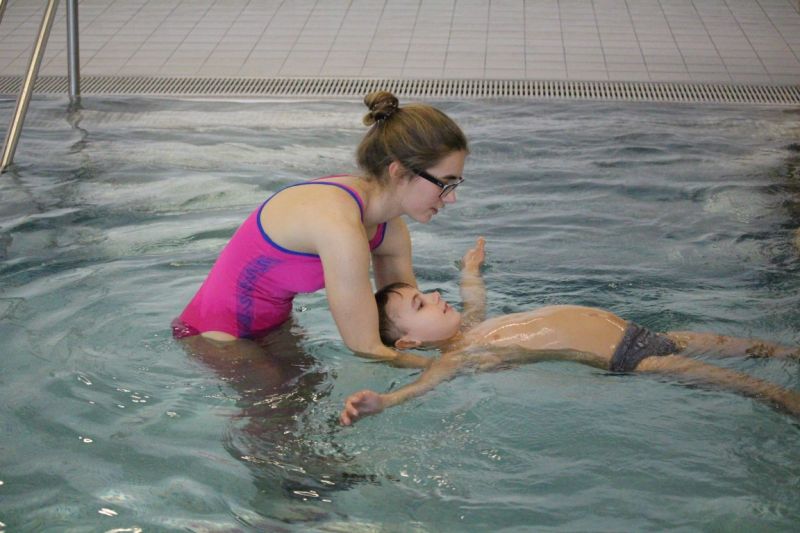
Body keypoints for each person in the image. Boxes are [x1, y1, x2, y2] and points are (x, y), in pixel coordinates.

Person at [340, 238, 800, 425]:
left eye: (427, 292)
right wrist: (385, 402)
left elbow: (473, 296)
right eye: (420, 304)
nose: (435, 296)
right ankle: (785, 399)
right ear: (411, 342)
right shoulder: (459, 357)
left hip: (643, 332)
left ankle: (790, 355)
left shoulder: (472, 325)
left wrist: (470, 269)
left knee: (752, 348)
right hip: (633, 360)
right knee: (742, 383)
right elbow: (425, 385)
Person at [172, 91, 468, 367]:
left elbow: (408, 328)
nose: (452, 198)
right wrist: (463, 365)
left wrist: (473, 344)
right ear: (399, 171)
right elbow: (366, 346)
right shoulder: (338, 225)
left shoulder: (389, 228)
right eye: (445, 183)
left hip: (275, 328)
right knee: (291, 405)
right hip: (217, 336)